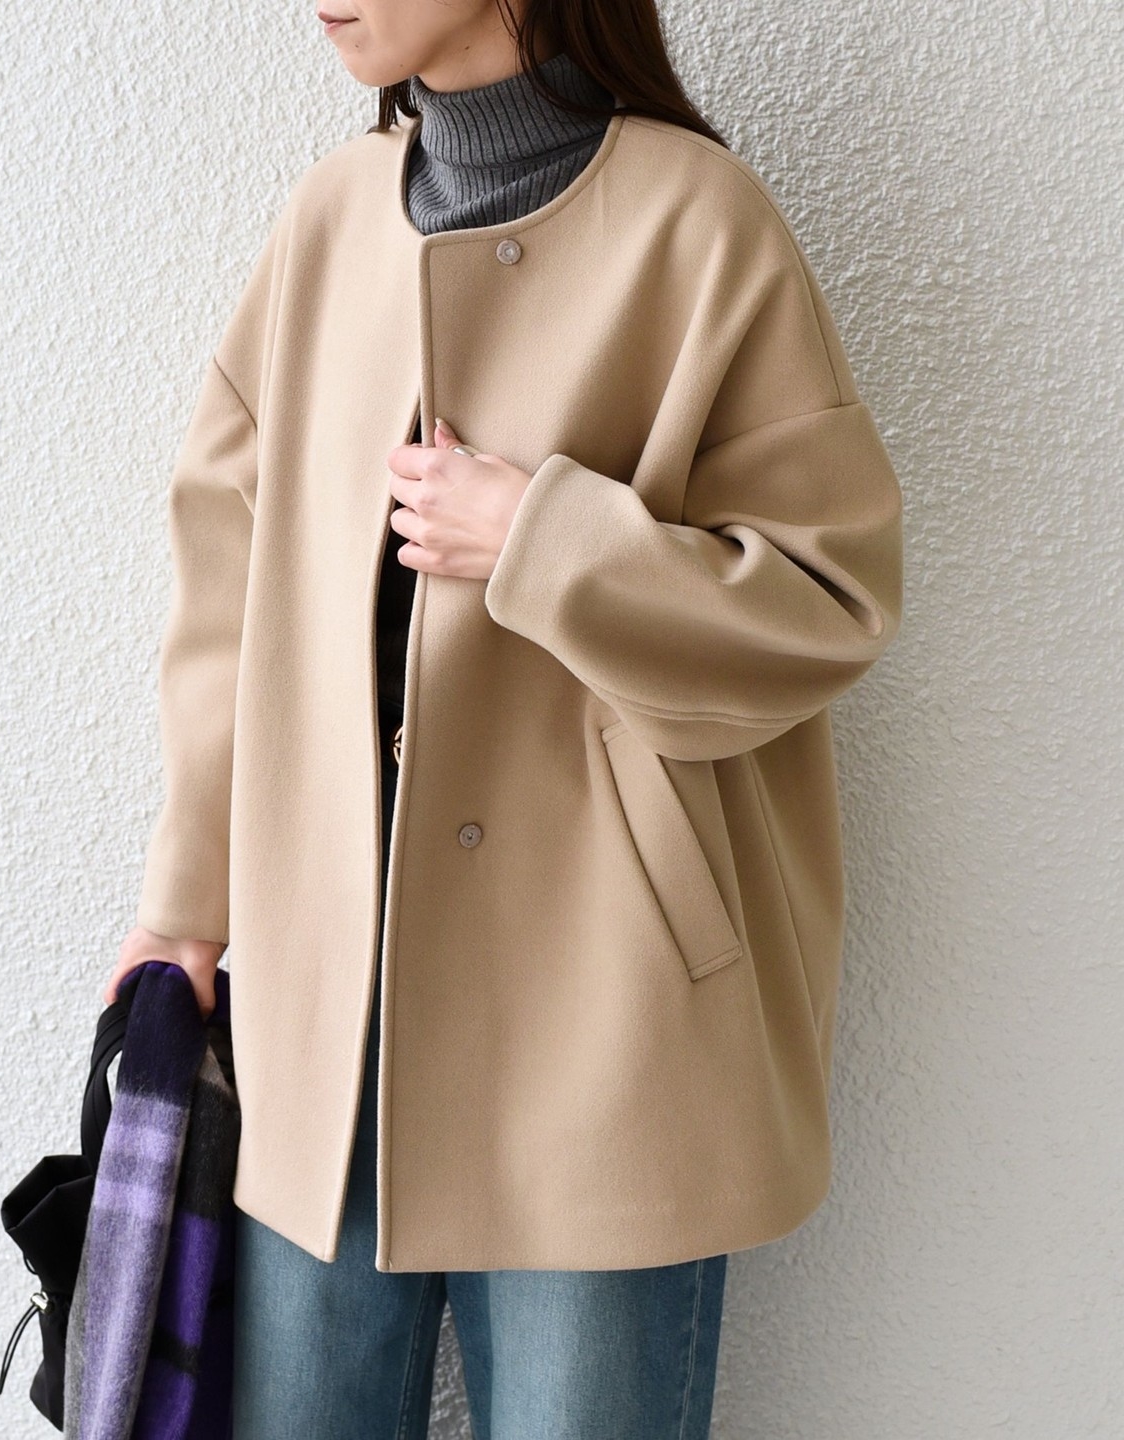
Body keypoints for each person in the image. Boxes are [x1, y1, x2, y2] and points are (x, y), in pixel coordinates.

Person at [102, 1, 904, 1435]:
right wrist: (186, 909)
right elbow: (228, 592)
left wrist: (542, 537)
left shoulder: (699, 226)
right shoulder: (329, 224)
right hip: (325, 1015)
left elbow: (826, 599)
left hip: (607, 1021)